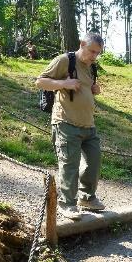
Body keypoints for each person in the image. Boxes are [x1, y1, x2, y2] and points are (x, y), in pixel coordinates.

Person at [35, 32, 105, 220]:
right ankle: (67, 204)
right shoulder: (65, 60)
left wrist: (94, 90)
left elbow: (84, 88)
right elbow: (40, 81)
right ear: (82, 44)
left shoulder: (91, 67)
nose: (94, 56)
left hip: (88, 124)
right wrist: (63, 83)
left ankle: (87, 197)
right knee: (70, 165)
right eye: (92, 51)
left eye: (98, 53)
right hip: (66, 122)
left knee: (94, 162)